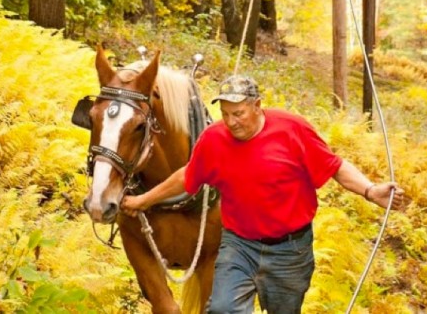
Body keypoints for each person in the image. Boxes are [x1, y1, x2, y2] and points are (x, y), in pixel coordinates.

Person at [121, 75, 404, 314]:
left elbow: (335, 166)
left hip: (290, 250)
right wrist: (144, 200)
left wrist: (370, 190)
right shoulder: (214, 138)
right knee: (221, 309)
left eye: (239, 113)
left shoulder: (293, 130)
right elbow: (187, 176)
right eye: (226, 113)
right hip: (239, 245)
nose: (231, 122)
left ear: (257, 106)